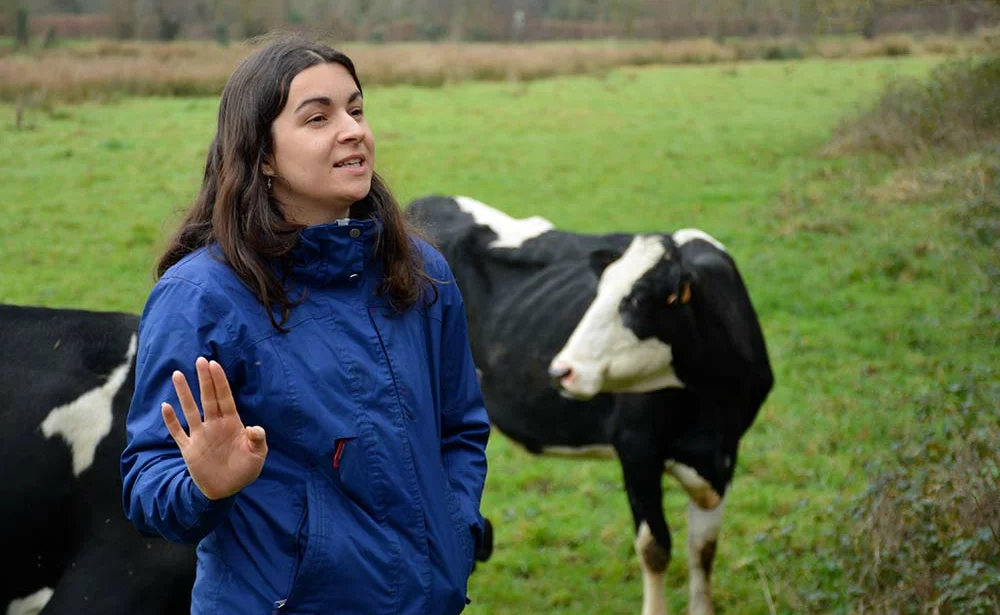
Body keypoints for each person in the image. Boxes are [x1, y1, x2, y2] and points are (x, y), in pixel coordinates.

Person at [120, 34, 490, 615]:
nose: (353, 130)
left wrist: (455, 530)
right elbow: (148, 483)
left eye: (357, 109)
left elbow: (461, 431)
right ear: (262, 154)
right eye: (318, 118)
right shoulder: (200, 297)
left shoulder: (418, 272)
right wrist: (205, 486)